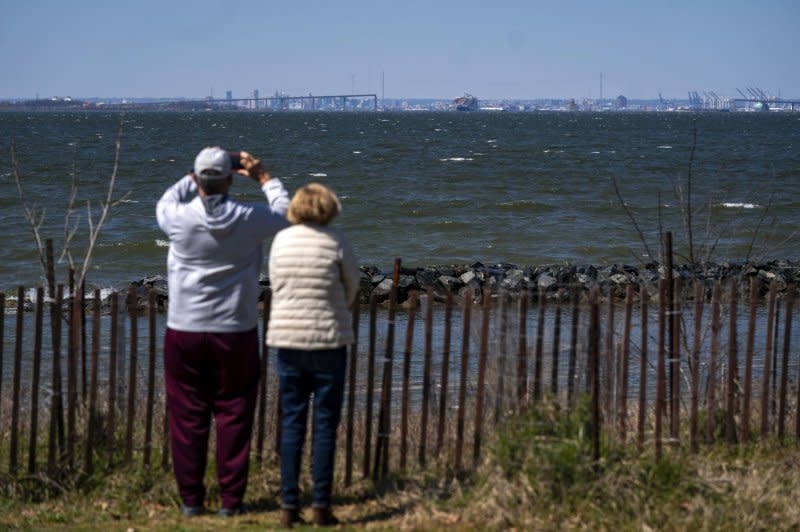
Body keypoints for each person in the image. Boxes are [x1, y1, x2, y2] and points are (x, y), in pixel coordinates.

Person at [156, 146, 290, 517]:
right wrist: (263, 176)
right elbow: (286, 212)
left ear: (197, 180)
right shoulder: (250, 217)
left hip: (184, 327)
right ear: (232, 180)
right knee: (234, 413)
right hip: (235, 328)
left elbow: (168, 198)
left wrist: (195, 174)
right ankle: (231, 501)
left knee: (187, 417)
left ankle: (191, 500)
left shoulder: (177, 219)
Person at [267, 183, 360, 528]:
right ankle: (321, 504)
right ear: (328, 208)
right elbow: (352, 287)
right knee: (324, 425)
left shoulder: (281, 241)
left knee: (292, 422)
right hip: (328, 340)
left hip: (288, 340)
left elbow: (276, 284)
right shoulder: (336, 241)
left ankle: (289, 505)